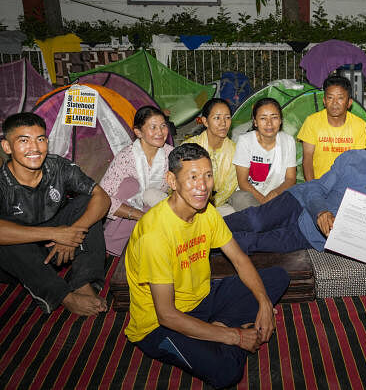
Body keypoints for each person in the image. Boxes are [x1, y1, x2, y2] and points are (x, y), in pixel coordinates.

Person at [124, 143, 289, 388]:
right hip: (159, 325)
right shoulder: (155, 235)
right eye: (192, 177)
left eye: (208, 175)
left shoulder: (206, 212)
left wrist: (264, 303)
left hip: (202, 297)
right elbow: (167, 314)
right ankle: (226, 330)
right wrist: (236, 336)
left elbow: (239, 259)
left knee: (278, 278)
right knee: (226, 373)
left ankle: (217, 328)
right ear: (172, 180)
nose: (202, 186)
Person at [224, 117, 366, 254]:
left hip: (314, 235)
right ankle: (202, 230)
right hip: (299, 202)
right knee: (255, 221)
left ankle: (204, 247)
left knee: (255, 242)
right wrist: (321, 212)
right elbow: (314, 187)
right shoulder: (351, 158)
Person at [0, 113, 110, 316]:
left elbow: (102, 197)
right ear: (7, 147)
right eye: (23, 140)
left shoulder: (57, 166)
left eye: (40, 139)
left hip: (59, 247)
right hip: (19, 260)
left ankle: (83, 281)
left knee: (86, 202)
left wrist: (71, 232)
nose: (34, 148)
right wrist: (55, 234)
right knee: (4, 231)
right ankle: (63, 295)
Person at [99, 106, 174, 256]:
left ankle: (116, 247)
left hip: (155, 210)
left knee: (152, 195)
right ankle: (116, 245)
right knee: (130, 185)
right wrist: (138, 215)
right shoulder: (126, 157)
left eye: (163, 126)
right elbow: (103, 198)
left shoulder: (171, 154)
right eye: (153, 127)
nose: (160, 132)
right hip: (125, 214)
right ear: (138, 132)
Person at [229, 98, 297, 211]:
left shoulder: (288, 141)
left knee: (298, 197)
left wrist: (274, 194)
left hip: (276, 195)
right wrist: (263, 201)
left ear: (280, 120)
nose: (269, 123)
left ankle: (265, 218)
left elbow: (290, 179)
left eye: (274, 117)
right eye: (263, 118)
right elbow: (243, 182)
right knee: (241, 199)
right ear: (255, 122)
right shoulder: (245, 141)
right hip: (250, 195)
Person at [297, 75, 366, 181]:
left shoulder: (360, 125)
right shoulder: (312, 121)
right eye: (330, 97)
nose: (334, 103)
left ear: (349, 103)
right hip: (318, 183)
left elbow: (358, 163)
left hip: (346, 184)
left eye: (340, 98)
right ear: (324, 101)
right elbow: (307, 159)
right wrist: (312, 188)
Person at [183, 98, 237, 208]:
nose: (223, 123)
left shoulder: (235, 151)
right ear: (205, 121)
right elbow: (181, 182)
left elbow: (228, 188)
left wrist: (209, 207)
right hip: (188, 202)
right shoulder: (189, 147)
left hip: (218, 204)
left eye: (227, 117)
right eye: (217, 118)